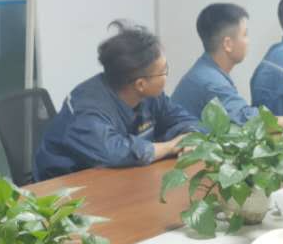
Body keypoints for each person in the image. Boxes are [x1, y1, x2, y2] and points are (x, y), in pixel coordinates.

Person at [34, 23, 199, 181]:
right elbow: (116, 152)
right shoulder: (86, 109)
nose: (166, 77)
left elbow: (183, 119)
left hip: (119, 178)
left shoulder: (151, 95)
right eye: (163, 71)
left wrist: (189, 136)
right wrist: (170, 146)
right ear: (141, 84)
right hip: (63, 187)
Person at [170, 3, 283, 130]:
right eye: (245, 34)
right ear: (228, 44)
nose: (248, 41)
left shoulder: (206, 69)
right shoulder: (212, 82)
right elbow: (247, 121)